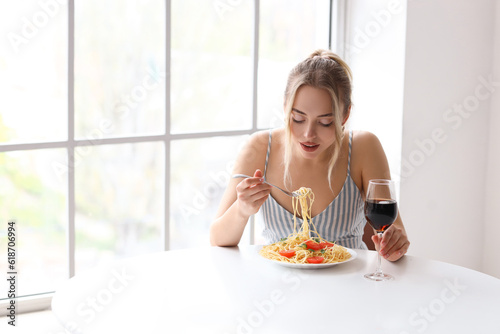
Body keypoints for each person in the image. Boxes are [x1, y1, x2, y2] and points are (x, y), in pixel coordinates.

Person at [210, 49, 409, 262]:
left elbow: (394, 236)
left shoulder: (364, 147)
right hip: (278, 287)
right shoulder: (260, 148)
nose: (309, 134)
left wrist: (394, 244)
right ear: (285, 107)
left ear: (345, 115)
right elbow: (217, 239)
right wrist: (242, 209)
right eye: (298, 118)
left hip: (349, 286)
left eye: (325, 122)